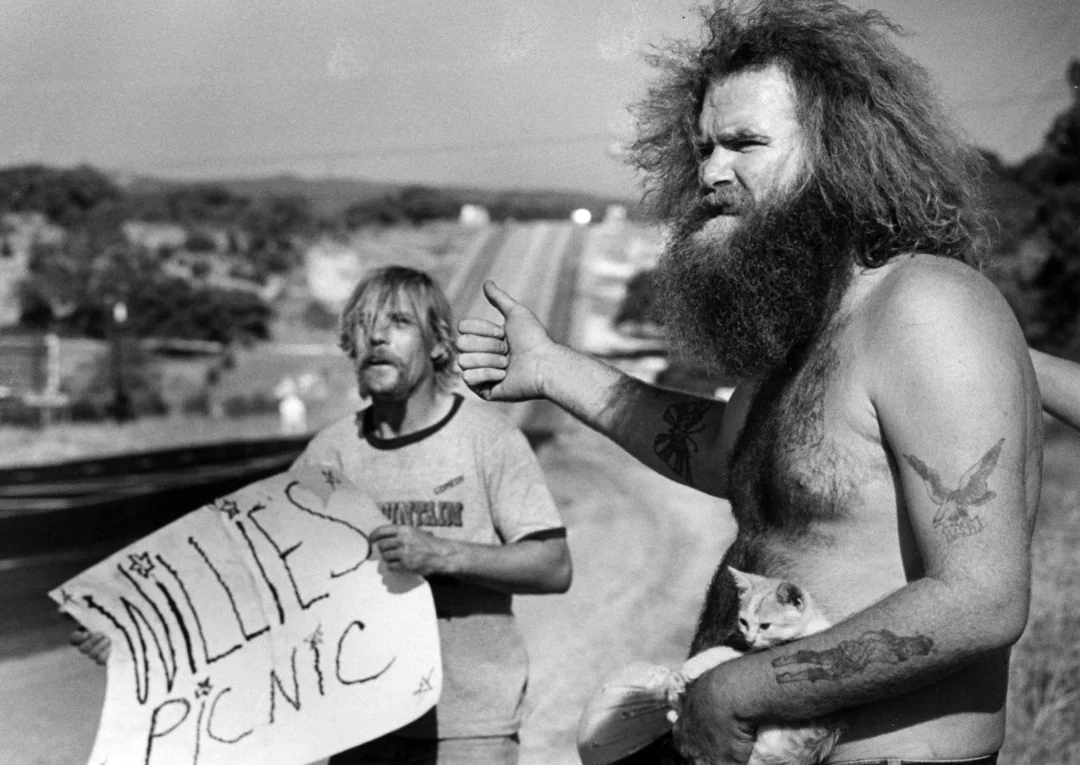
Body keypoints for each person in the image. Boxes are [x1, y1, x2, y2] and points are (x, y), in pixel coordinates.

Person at [455, 2, 1046, 764]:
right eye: (702, 147)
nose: (709, 172)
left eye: (744, 143)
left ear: (844, 153)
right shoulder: (807, 334)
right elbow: (729, 458)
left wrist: (742, 690)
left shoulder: (928, 308)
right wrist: (553, 370)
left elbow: (984, 598)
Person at [73, 266, 572, 765]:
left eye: (398, 322)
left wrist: (443, 554)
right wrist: (133, 637)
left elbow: (552, 566)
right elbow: (253, 585)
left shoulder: (489, 439)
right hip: (359, 728)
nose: (376, 336)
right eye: (362, 324)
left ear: (440, 345)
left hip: (468, 732)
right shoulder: (329, 454)